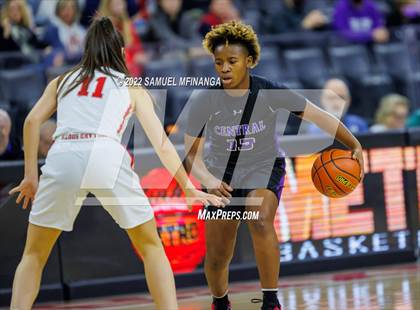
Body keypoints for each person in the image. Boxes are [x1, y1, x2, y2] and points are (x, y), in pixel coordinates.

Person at [8, 17, 223, 310]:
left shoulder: (62, 80)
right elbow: (161, 142)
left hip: (63, 154)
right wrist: (186, 186)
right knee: (151, 247)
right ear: (121, 53)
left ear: (88, 50)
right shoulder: (130, 85)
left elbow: (32, 121)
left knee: (33, 255)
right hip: (105, 154)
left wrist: (30, 176)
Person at [184, 20, 365, 310]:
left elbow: (319, 116)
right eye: (219, 62)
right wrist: (208, 180)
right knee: (218, 255)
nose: (225, 68)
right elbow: (190, 154)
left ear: (250, 61)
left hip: (263, 166)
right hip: (221, 174)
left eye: (232, 61)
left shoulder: (270, 91)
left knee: (259, 217)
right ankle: (220, 302)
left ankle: (270, 302)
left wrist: (354, 144)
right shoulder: (204, 99)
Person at [98, 0, 149, 76]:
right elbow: (108, 55)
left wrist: (139, 55)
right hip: (112, 74)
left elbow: (137, 47)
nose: (120, 6)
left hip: (132, 72)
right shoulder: (102, 27)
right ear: (108, 5)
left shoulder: (127, 24)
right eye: (116, 3)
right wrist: (133, 59)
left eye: (121, 3)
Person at [305, 79, 369, 134]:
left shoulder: (359, 124)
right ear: (322, 100)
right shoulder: (314, 130)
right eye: (331, 98)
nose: (336, 102)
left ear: (349, 100)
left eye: (341, 97)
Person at [42, 0, 86, 67]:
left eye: (72, 8)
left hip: (81, 64)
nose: (68, 11)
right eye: (64, 8)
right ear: (58, 11)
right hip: (64, 67)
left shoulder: (82, 30)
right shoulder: (51, 31)